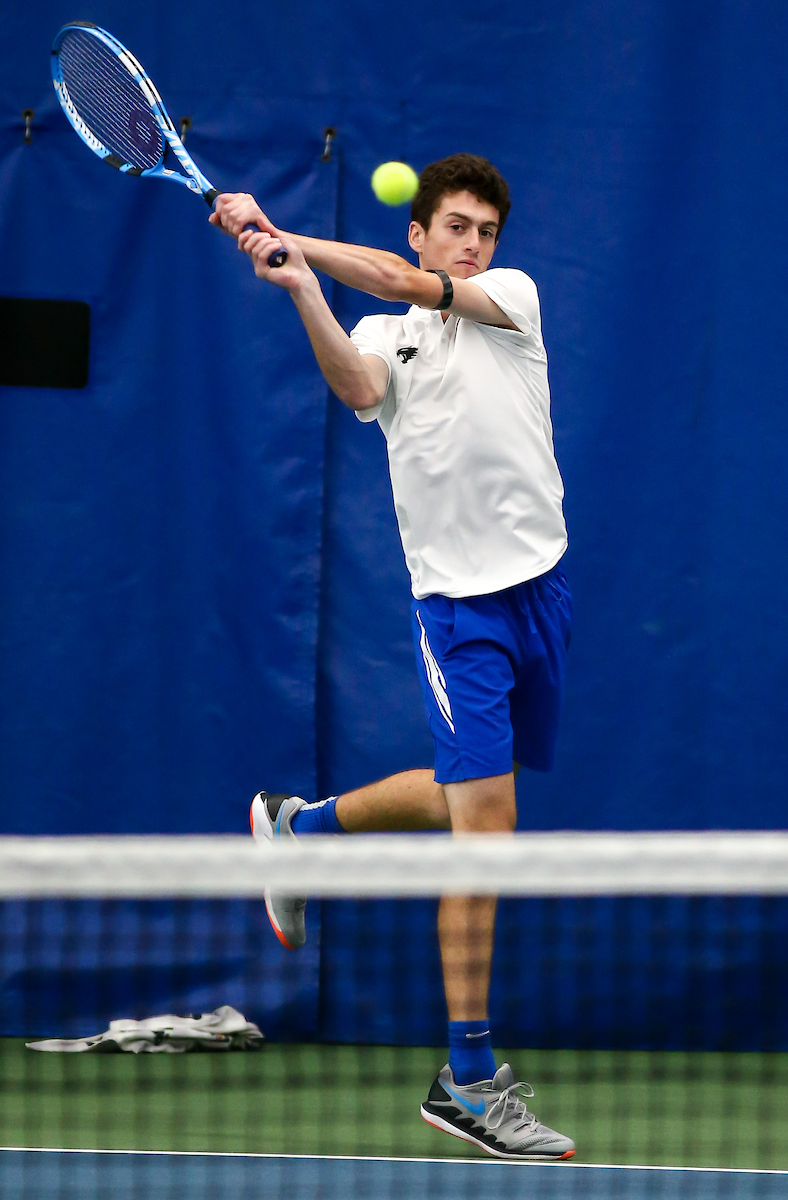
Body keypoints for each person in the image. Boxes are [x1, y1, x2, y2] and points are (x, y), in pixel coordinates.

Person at [211, 154, 575, 1161]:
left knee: (475, 802)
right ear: (418, 226)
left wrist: (292, 237)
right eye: (454, 225)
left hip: (540, 586)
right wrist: (298, 291)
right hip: (457, 609)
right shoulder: (383, 334)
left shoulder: (510, 299)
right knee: (486, 833)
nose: (471, 243)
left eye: (484, 230)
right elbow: (355, 381)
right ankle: (464, 1078)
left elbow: (400, 281)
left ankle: (303, 827)